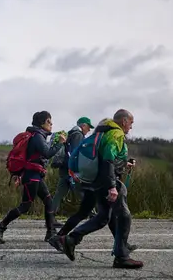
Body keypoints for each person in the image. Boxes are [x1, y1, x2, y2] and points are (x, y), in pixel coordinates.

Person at [48, 109, 143, 269]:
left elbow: (103, 157)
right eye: (131, 123)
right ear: (124, 121)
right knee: (123, 216)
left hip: (94, 180)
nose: (131, 127)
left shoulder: (103, 132)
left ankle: (72, 239)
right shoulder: (116, 134)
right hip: (105, 181)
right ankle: (120, 255)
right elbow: (108, 160)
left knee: (104, 217)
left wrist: (122, 164)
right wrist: (112, 186)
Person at [0, 111, 66, 243]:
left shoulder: (38, 135)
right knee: (25, 206)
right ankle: (0, 226)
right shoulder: (37, 136)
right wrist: (59, 143)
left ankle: (51, 232)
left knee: (48, 201)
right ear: (42, 123)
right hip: (32, 176)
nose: (51, 124)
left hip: (34, 175)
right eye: (49, 121)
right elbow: (47, 153)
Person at [50, 117, 94, 224]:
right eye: (88, 127)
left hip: (65, 169)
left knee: (60, 193)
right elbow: (75, 154)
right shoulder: (78, 135)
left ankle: (50, 218)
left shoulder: (71, 134)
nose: (89, 130)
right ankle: (93, 214)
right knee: (82, 191)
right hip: (71, 170)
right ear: (83, 125)